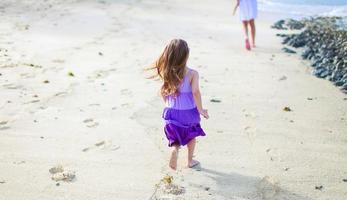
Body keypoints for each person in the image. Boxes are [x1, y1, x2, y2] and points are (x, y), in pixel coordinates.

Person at [147, 39, 209, 170]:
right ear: (186, 55)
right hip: (189, 112)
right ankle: (190, 160)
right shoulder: (193, 74)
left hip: (171, 112)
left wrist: (169, 105)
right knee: (191, 134)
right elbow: (196, 92)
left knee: (175, 136)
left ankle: (175, 150)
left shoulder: (167, 73)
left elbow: (163, 93)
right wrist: (201, 109)